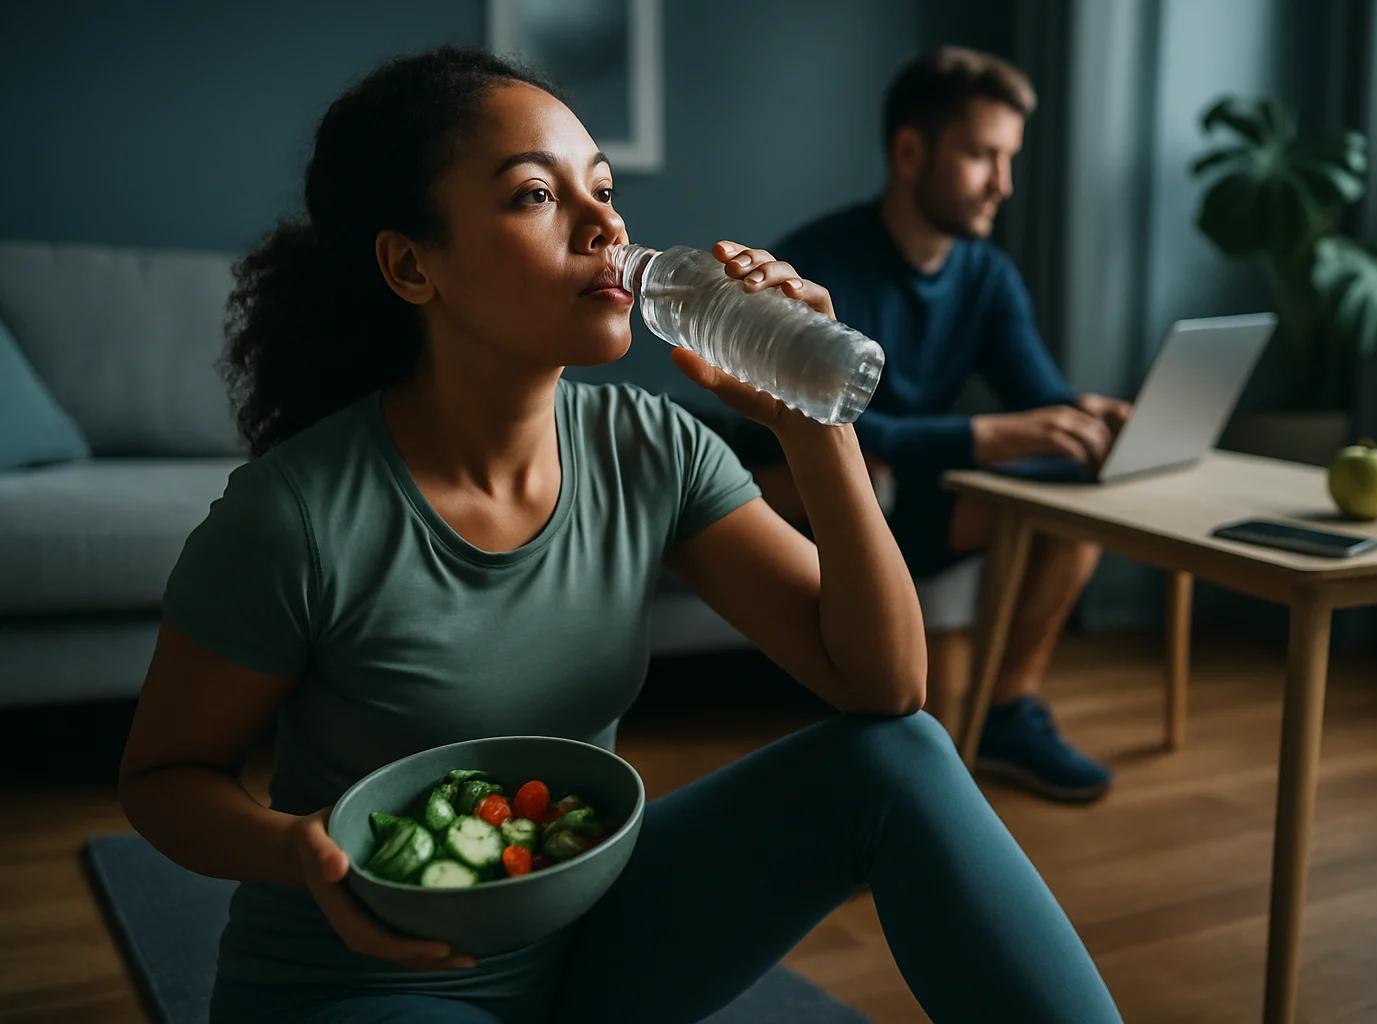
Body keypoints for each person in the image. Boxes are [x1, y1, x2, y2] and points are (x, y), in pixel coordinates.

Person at [115, 47, 1121, 1024]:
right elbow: (165, 781)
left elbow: (886, 687)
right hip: (365, 980)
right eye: (536, 195)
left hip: (592, 945)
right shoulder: (294, 514)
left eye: (601, 186)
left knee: (898, 761)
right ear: (411, 266)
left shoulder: (652, 447)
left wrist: (817, 425)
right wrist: (302, 849)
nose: (605, 222)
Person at [748, 47, 1132, 805]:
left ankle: (1007, 710)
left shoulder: (986, 274)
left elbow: (1041, 396)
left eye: (1009, 158)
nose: (1004, 183)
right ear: (910, 152)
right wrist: (989, 436)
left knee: (1074, 496)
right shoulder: (815, 267)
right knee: (878, 472)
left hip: (925, 489)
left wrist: (1087, 416)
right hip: (827, 493)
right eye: (984, 155)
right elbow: (832, 430)